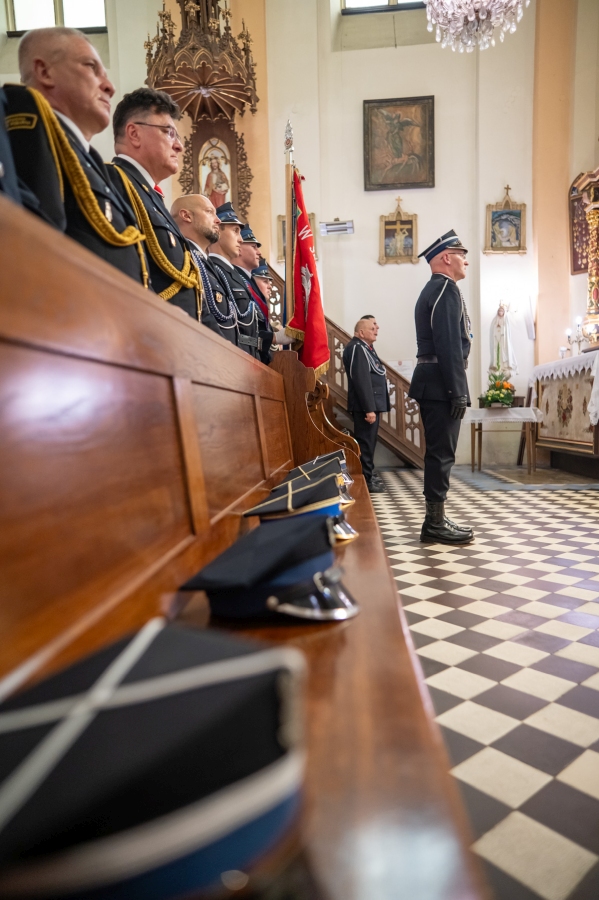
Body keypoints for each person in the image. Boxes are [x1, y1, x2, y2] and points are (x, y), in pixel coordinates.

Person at [5, 27, 148, 285]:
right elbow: (35, 249)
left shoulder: (87, 158)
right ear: (44, 72)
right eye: (91, 67)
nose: (110, 87)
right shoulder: (28, 136)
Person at [111, 88, 203, 322]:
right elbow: (122, 273)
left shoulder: (149, 195)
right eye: (169, 132)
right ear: (134, 134)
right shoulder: (114, 182)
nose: (179, 146)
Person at [409, 230, 474, 544]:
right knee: (441, 454)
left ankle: (436, 519)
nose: (466, 261)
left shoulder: (436, 289)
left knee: (439, 453)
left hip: (434, 382)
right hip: (440, 384)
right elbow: (449, 346)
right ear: (446, 258)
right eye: (462, 255)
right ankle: (434, 524)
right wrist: (457, 391)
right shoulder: (445, 290)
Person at [170, 193, 239, 344]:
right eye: (209, 212)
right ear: (186, 216)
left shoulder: (207, 264)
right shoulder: (180, 257)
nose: (218, 220)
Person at [207, 202, 266, 361]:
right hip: (233, 361)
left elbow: (245, 332)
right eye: (235, 231)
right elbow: (228, 332)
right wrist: (268, 341)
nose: (240, 239)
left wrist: (265, 342)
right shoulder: (214, 272)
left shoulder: (233, 275)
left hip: (248, 361)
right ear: (217, 230)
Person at [342, 316, 389, 494]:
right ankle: (366, 480)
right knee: (365, 444)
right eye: (372, 327)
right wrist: (369, 408)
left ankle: (368, 474)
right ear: (361, 332)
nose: (377, 329)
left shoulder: (365, 348)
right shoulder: (357, 348)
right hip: (365, 407)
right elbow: (361, 380)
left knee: (369, 443)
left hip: (371, 405)